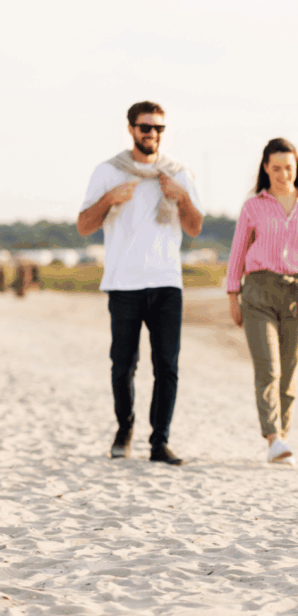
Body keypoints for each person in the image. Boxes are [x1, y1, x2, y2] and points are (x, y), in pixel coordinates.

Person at [77, 101, 205, 465]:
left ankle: (159, 442)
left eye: (159, 128)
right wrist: (109, 198)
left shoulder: (179, 174)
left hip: (167, 282)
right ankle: (124, 428)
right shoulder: (108, 171)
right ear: (131, 129)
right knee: (122, 366)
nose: (152, 134)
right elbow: (84, 226)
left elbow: (195, 228)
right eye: (146, 127)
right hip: (123, 283)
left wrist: (181, 197)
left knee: (167, 367)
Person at [225, 138, 298, 466]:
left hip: (297, 293)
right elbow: (238, 251)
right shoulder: (253, 206)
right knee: (268, 368)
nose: (284, 174)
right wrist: (233, 296)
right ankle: (273, 438)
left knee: (289, 369)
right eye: (277, 168)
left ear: (297, 168)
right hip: (257, 292)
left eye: (289, 167)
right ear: (266, 169)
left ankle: (282, 434)